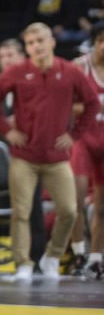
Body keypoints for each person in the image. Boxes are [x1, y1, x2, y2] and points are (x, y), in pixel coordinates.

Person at [0, 23, 101, 281]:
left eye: (40, 40)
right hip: (24, 156)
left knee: (69, 211)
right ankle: (23, 264)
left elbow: (92, 103)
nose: (36, 46)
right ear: (27, 48)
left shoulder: (69, 71)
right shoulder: (16, 72)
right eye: (31, 43)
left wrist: (74, 135)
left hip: (57, 158)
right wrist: (5, 129)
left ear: (52, 43)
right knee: (21, 212)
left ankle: (53, 256)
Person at [71, 23, 104, 278]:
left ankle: (96, 257)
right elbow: (63, 105)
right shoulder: (79, 68)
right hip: (83, 139)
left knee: (102, 207)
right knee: (77, 200)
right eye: (102, 41)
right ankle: (77, 251)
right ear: (94, 42)